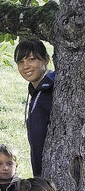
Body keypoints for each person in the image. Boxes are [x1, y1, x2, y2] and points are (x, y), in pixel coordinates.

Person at [15, 39, 54, 177]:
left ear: (46, 60)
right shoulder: (36, 91)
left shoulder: (52, 89)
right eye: (21, 62)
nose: (26, 66)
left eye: (31, 59)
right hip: (43, 171)